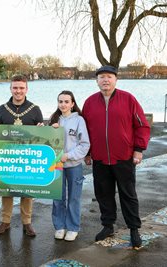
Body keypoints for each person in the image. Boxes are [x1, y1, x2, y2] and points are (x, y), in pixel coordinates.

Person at [82, 65, 150, 248]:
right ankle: (107, 226)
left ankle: (134, 229)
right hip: (100, 158)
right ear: (97, 81)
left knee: (128, 194)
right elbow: (85, 131)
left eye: (109, 77)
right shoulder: (89, 103)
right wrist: (88, 153)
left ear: (115, 80)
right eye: (102, 77)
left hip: (124, 157)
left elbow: (142, 126)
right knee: (104, 194)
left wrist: (138, 149)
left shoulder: (128, 99)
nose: (105, 80)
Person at [0, 74, 44, 237]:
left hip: (27, 157)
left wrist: (42, 128)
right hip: (8, 156)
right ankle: (5, 221)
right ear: (10, 89)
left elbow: (41, 136)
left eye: (21, 88)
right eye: (15, 87)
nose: (18, 91)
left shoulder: (35, 109)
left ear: (26, 89)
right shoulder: (2, 109)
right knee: (7, 189)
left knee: (26, 191)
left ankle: (27, 223)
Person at [49, 91, 90, 241]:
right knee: (58, 198)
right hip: (57, 166)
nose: (63, 104)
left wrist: (69, 156)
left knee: (74, 197)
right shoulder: (54, 120)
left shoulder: (79, 120)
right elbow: (46, 142)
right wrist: (49, 130)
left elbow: (85, 144)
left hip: (73, 165)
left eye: (67, 101)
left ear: (72, 104)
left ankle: (73, 227)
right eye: (60, 101)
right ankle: (59, 226)